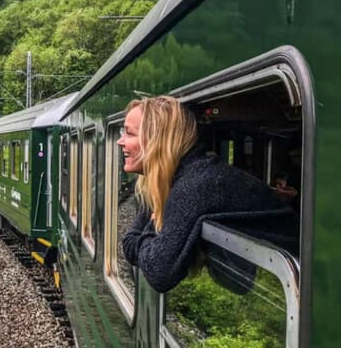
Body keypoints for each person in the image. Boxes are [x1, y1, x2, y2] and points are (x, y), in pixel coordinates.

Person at [119, 96, 299, 293]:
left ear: (157, 140)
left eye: (129, 133)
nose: (120, 141)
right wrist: (152, 238)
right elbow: (129, 242)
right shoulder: (175, 178)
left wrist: (153, 227)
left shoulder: (195, 185)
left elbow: (158, 272)